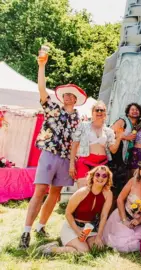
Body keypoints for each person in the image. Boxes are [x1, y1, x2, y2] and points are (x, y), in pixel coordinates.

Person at [19, 50, 85, 249]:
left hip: (66, 159)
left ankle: (40, 226)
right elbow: (41, 90)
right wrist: (41, 65)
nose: (67, 97)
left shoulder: (78, 119)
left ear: (75, 100)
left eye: (70, 96)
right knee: (40, 191)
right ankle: (26, 231)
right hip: (49, 154)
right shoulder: (53, 109)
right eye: (64, 94)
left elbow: (76, 142)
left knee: (55, 194)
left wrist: (73, 163)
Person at [37, 166, 113, 254]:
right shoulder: (82, 192)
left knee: (98, 248)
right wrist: (77, 231)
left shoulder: (108, 194)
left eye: (104, 176)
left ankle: (77, 245)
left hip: (88, 229)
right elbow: (68, 213)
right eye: (97, 175)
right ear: (92, 176)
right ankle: (53, 249)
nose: (100, 178)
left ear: (108, 179)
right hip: (72, 227)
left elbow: (103, 216)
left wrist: (99, 236)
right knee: (84, 251)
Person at [103, 160, 141, 252]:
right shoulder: (132, 181)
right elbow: (120, 199)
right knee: (122, 242)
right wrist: (124, 220)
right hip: (122, 216)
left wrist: (139, 220)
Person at [70, 101, 122, 188]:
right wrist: (71, 164)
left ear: (105, 113)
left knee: (98, 192)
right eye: (97, 110)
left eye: (102, 110)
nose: (99, 112)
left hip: (102, 164)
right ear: (92, 112)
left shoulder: (108, 131)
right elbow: (74, 145)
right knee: (83, 190)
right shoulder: (83, 125)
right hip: (84, 162)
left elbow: (113, 150)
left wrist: (119, 137)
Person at [109, 103, 141, 196]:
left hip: (125, 156)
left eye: (137, 110)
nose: (135, 111)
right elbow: (110, 132)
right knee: (114, 182)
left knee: (120, 182)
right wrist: (126, 137)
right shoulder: (122, 120)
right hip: (116, 153)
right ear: (128, 112)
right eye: (132, 109)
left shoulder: (136, 125)